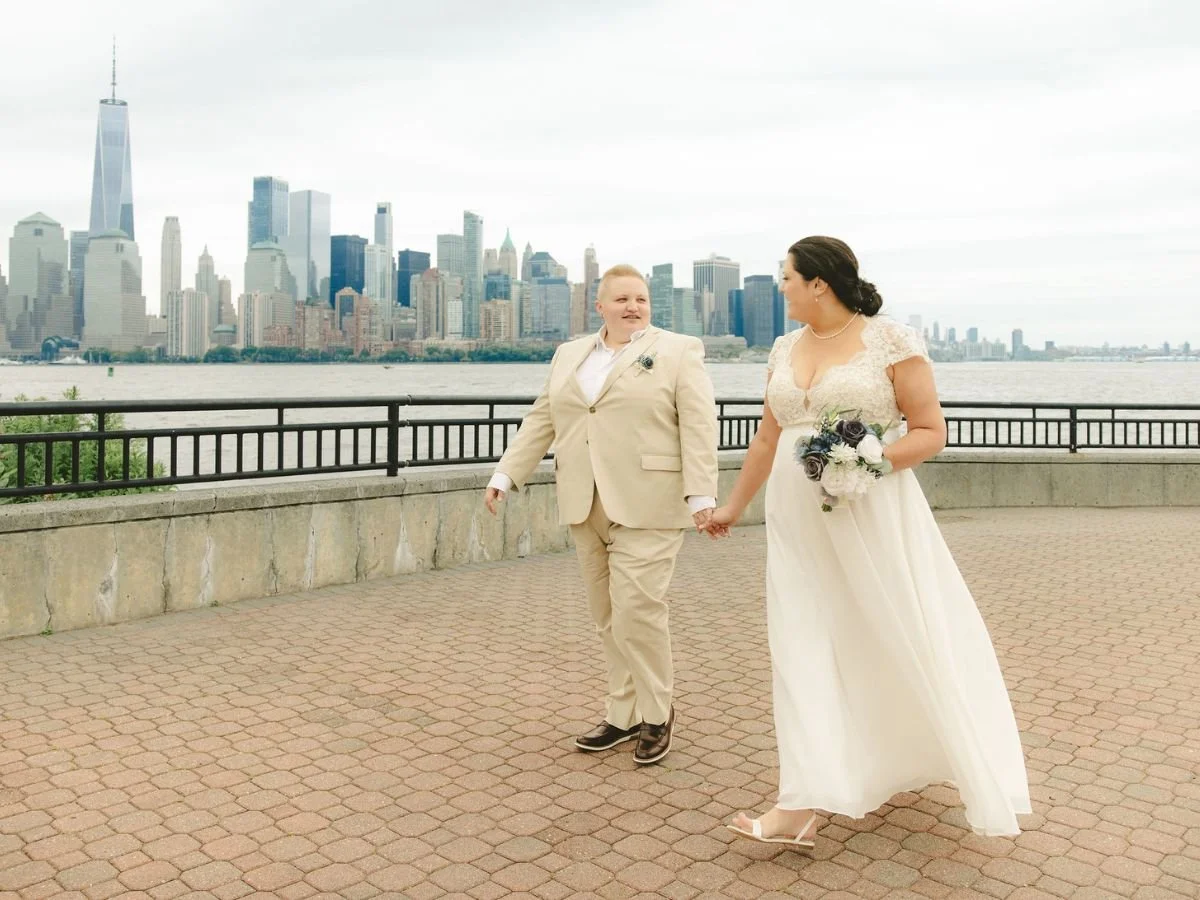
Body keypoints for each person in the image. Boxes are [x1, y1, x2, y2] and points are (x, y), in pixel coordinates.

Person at [708, 236, 1030, 845]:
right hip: (795, 518)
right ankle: (801, 800)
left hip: (872, 512)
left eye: (787, 277)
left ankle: (937, 753)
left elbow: (931, 430)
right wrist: (733, 506)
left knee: (895, 630)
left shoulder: (891, 340)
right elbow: (767, 441)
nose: (781, 287)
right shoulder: (782, 347)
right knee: (801, 642)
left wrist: (868, 464)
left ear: (817, 284)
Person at [484, 264, 719, 764]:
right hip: (583, 500)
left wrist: (701, 496)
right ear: (600, 305)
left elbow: (699, 424)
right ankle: (623, 714)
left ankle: (658, 712)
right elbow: (544, 417)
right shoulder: (571, 353)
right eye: (622, 299)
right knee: (608, 617)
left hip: (650, 501)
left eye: (641, 299)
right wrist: (506, 474)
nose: (633, 307)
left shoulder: (678, 350)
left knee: (639, 609)